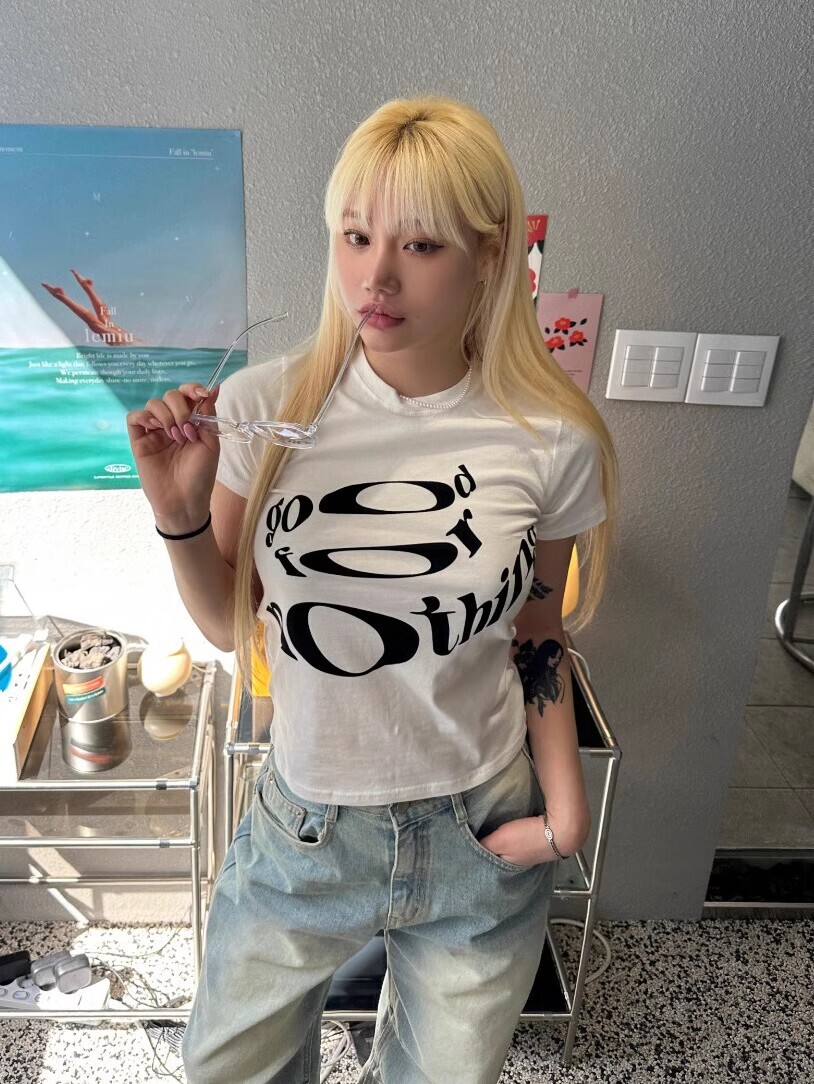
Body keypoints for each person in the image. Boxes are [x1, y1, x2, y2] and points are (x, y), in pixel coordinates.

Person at [126, 95, 619, 1084]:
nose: (374, 277)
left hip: (479, 820)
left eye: (420, 245)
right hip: (310, 824)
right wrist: (177, 514)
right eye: (355, 237)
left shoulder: (550, 437)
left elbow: (538, 630)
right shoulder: (267, 406)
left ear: (489, 256)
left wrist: (566, 814)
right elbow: (225, 623)